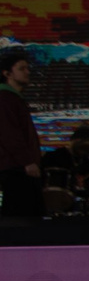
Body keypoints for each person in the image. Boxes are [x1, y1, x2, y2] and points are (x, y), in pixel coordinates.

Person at [0, 49, 40, 219]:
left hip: (17, 167)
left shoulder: (13, 98)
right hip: (15, 169)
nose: (27, 72)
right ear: (7, 73)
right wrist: (28, 161)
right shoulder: (5, 98)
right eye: (22, 68)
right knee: (19, 217)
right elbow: (9, 134)